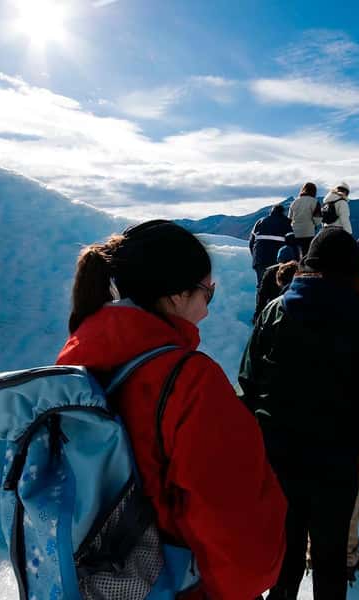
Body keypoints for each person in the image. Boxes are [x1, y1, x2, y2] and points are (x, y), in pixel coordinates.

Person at [56, 220, 287, 599]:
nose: (207, 310)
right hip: (176, 585)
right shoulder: (190, 381)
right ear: (177, 295)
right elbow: (233, 520)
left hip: (94, 579)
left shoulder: (76, 360)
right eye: (207, 293)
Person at [239, 227, 359, 600]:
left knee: (285, 551)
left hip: (278, 455)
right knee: (330, 557)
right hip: (334, 460)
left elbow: (249, 380)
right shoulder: (358, 318)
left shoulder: (275, 309)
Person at [254, 244, 300, 323]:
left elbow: (262, 295)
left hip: (274, 309)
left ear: (279, 259)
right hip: (293, 311)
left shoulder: (270, 272)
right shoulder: (299, 271)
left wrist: (258, 315)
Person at [250, 204, 293, 284]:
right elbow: (291, 242)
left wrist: (255, 256)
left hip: (259, 259)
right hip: (275, 261)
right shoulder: (286, 222)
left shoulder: (259, 222)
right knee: (274, 286)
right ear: (282, 212)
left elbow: (251, 242)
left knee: (261, 285)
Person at [288, 182, 321, 256]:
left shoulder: (294, 202)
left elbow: (289, 218)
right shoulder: (315, 202)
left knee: (296, 255)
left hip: (295, 233)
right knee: (306, 255)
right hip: (308, 232)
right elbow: (317, 220)